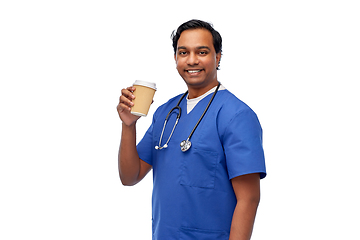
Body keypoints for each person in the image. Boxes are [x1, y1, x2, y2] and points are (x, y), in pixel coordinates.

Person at [117, 19, 266, 240]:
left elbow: (249, 199)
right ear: (175, 58)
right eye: (184, 52)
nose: (192, 60)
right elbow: (130, 176)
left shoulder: (237, 116)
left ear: (218, 57)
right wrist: (128, 125)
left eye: (202, 52)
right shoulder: (166, 113)